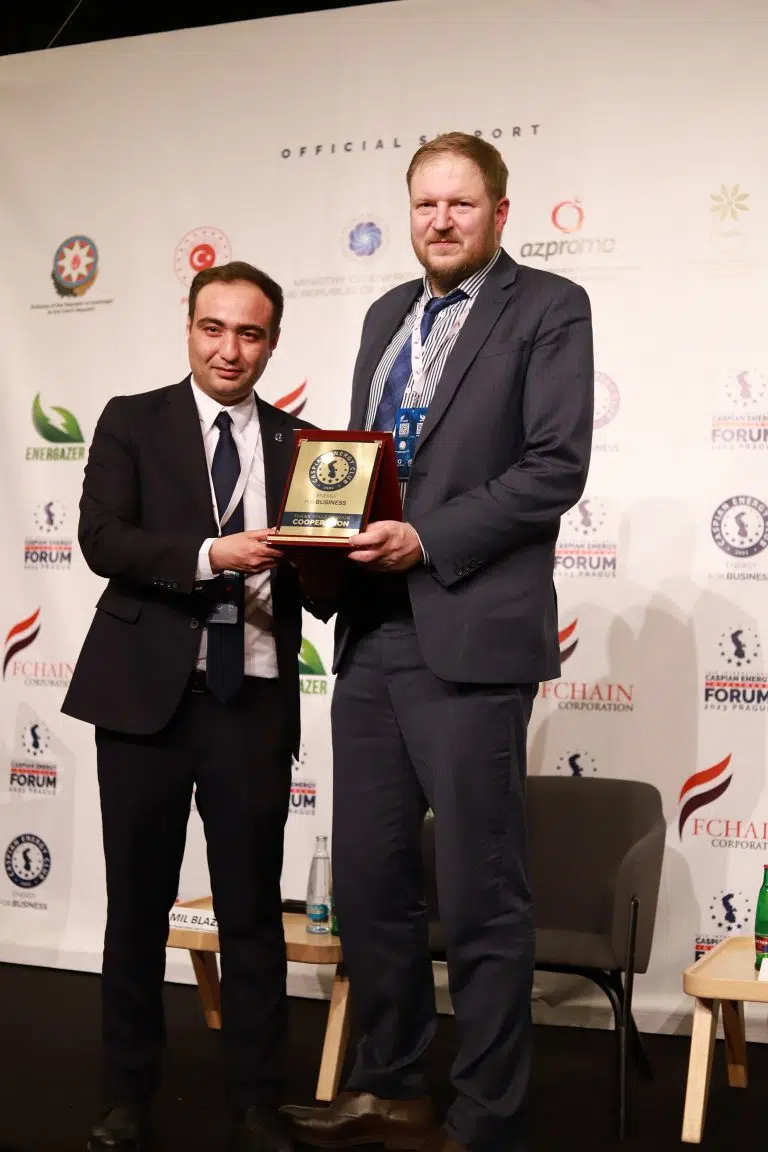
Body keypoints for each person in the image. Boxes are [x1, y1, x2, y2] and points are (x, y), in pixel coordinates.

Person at [282, 134, 594, 1152]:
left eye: (461, 204)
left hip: (470, 631)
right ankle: (391, 1085)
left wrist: (427, 536)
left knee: (479, 892)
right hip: (371, 631)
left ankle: (487, 1116)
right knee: (371, 882)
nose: (441, 221)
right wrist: (320, 534)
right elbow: (368, 458)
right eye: (425, 204)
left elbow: (554, 467)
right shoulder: (386, 315)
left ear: (500, 213)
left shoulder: (549, 307)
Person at [62, 261, 318, 1152]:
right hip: (145, 704)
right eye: (214, 328)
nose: (229, 349)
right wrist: (214, 554)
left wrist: (345, 551)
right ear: (189, 329)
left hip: (251, 701)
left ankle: (256, 1102)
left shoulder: (305, 444)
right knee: (136, 908)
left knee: (251, 914)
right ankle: (126, 1096)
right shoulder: (133, 420)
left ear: (272, 343)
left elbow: (325, 583)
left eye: (250, 333)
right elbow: (103, 539)